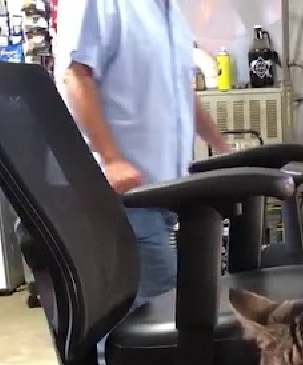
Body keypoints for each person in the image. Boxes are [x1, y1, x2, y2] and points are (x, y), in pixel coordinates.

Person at [55, 0, 231, 308]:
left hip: (162, 195)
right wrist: (111, 158)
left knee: (157, 311)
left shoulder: (170, 13)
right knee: (156, 312)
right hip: (121, 196)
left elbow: (181, 93)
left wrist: (221, 146)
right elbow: (76, 74)